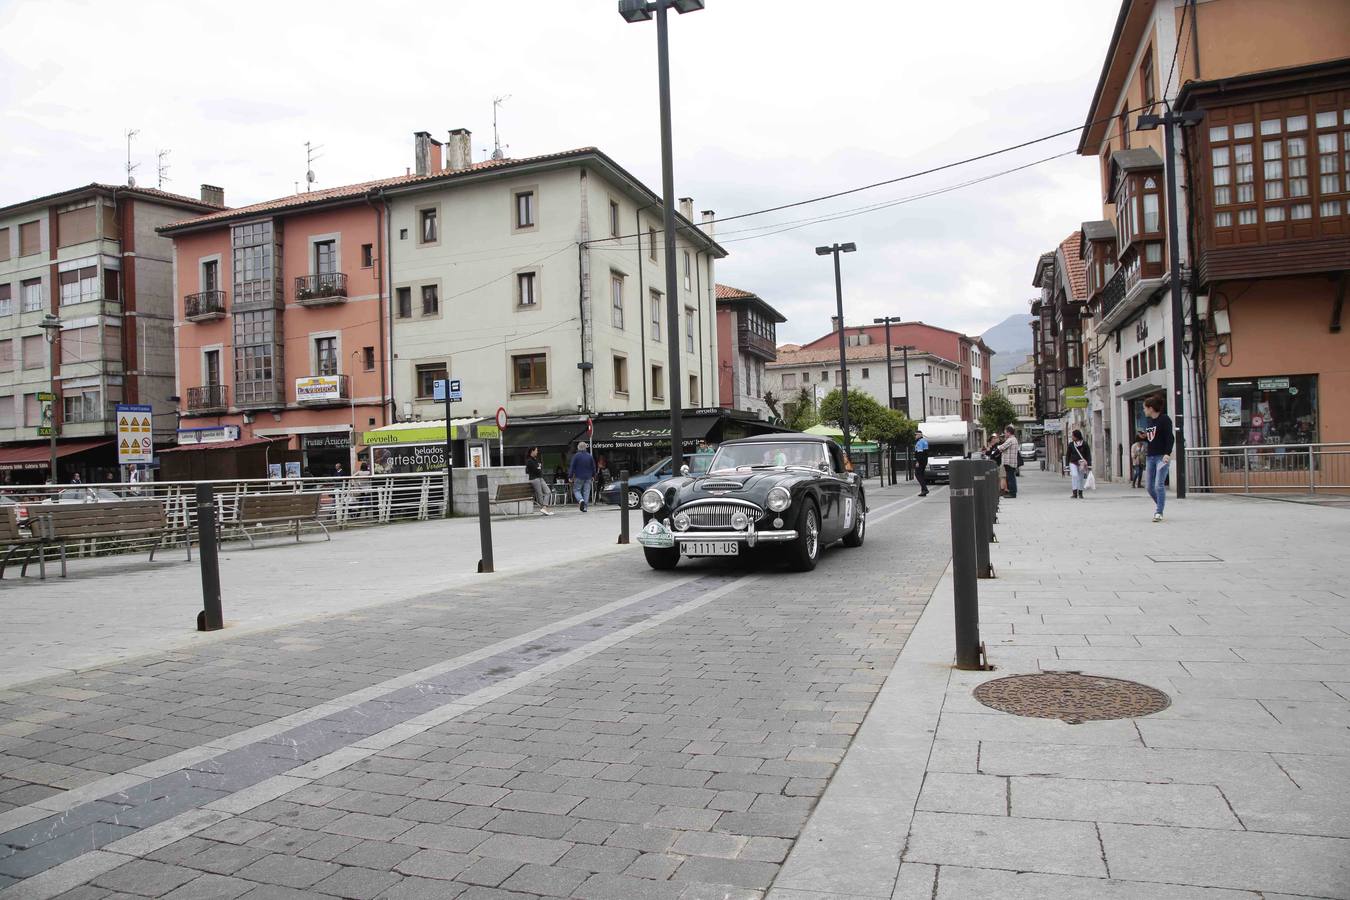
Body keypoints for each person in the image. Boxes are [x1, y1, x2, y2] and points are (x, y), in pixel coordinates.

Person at [1143, 393, 1174, 522]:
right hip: (1150, 456)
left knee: (1158, 485)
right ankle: (1160, 504)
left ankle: (1159, 511)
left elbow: (1170, 437)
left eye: (1145, 408)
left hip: (1162, 456)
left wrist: (1168, 453)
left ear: (1151, 408)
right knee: (1149, 486)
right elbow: (1153, 437)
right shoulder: (1150, 421)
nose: (1144, 410)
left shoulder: (1164, 419)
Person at [569, 441, 597, 512]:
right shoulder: (589, 456)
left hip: (578, 476)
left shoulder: (576, 456)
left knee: (576, 490)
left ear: (578, 447)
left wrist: (570, 476)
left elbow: (572, 467)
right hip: (588, 477)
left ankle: (580, 500)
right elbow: (593, 467)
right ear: (585, 447)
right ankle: (585, 507)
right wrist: (594, 475)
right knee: (586, 492)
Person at [525, 446, 553, 516]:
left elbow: (539, 468)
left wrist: (538, 468)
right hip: (535, 479)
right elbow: (534, 470)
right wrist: (538, 468)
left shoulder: (535, 459)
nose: (537, 452)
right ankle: (544, 509)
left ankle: (544, 507)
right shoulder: (529, 461)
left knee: (548, 491)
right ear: (532, 451)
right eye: (536, 450)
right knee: (540, 494)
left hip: (540, 478)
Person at [1066, 429, 1091, 498]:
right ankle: (1074, 492)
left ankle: (1080, 493)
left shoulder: (1084, 444)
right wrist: (1067, 465)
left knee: (1081, 478)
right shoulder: (1071, 444)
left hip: (1082, 463)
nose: (1072, 437)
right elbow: (1068, 455)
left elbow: (1088, 454)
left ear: (1077, 436)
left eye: (1073, 436)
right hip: (1073, 462)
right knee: (1074, 475)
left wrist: (1089, 464)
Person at [998, 426, 1020, 499]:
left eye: (1005, 432)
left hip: (1009, 462)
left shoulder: (1010, 440)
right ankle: (1013, 492)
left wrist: (998, 448)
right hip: (1012, 462)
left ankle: (1012, 493)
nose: (1005, 434)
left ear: (1009, 432)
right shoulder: (1014, 439)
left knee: (1010, 478)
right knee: (1011, 477)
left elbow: (1001, 447)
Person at [914, 431, 930, 497]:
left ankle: (925, 489)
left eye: (916, 435)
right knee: (922, 475)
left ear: (920, 435)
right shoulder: (925, 441)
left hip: (921, 461)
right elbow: (926, 452)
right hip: (924, 460)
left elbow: (919, 453)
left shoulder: (919, 442)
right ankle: (923, 491)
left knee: (917, 474)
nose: (915, 436)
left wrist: (918, 461)